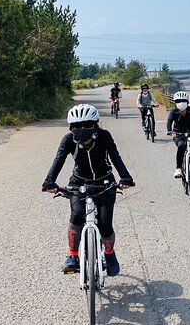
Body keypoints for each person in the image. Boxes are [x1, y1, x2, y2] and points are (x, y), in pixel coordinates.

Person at [42, 103, 135, 276]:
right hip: (79, 182)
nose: (82, 129)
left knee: (106, 225)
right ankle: (72, 256)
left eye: (87, 125)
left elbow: (115, 156)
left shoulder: (104, 136)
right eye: (77, 126)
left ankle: (109, 254)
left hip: (105, 182)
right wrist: (49, 182)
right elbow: (59, 159)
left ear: (95, 125)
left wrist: (125, 177)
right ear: (71, 127)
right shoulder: (69, 140)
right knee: (77, 215)